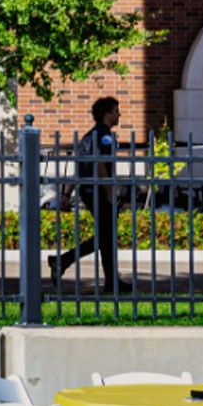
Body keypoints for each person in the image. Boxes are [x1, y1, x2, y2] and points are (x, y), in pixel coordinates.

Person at [48, 97, 131, 293]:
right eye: (116, 110)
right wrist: (110, 191)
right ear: (107, 113)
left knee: (107, 236)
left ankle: (112, 282)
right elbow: (99, 162)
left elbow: (78, 166)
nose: (119, 114)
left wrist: (67, 194)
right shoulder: (104, 136)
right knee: (105, 236)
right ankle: (62, 261)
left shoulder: (88, 136)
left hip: (87, 189)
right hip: (99, 190)